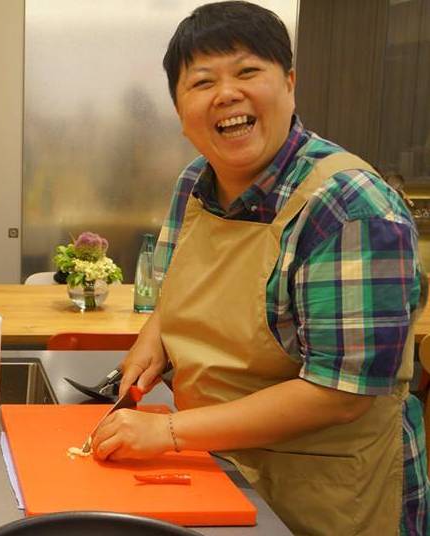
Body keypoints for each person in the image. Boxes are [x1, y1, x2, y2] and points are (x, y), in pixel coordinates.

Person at [91, 2, 429, 534]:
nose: (227, 94)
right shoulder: (195, 183)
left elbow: (340, 393)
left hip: (324, 493)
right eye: (202, 82)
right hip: (218, 468)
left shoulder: (351, 207)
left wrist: (170, 433)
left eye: (247, 72)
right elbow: (183, 284)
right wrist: (155, 336)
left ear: (290, 83)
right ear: (179, 111)